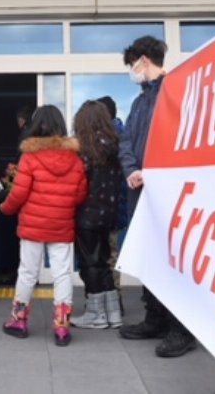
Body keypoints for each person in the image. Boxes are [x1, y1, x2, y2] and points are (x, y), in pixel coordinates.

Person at [117, 35, 197, 358]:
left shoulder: (176, 89)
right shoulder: (138, 103)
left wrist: (156, 170)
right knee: (150, 258)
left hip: (169, 194)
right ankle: (156, 318)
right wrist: (132, 169)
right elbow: (126, 143)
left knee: (172, 260)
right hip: (141, 193)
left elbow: (184, 137)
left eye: (132, 64)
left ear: (144, 60)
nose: (132, 70)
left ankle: (182, 328)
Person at [0, 105, 87, 346]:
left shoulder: (29, 156)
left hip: (33, 225)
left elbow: (18, 193)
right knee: (61, 274)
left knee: (28, 272)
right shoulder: (75, 159)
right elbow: (80, 195)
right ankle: (61, 327)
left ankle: (18, 321)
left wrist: (5, 209)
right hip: (61, 224)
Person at [70, 100, 123, 330]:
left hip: (88, 214)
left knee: (90, 264)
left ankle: (95, 314)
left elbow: (78, 183)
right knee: (103, 263)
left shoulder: (87, 149)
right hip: (108, 213)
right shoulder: (114, 144)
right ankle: (113, 314)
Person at [96, 95, 128, 311]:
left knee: (109, 255)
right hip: (117, 205)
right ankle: (114, 300)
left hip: (110, 206)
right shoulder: (122, 134)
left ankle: (114, 302)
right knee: (111, 255)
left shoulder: (111, 138)